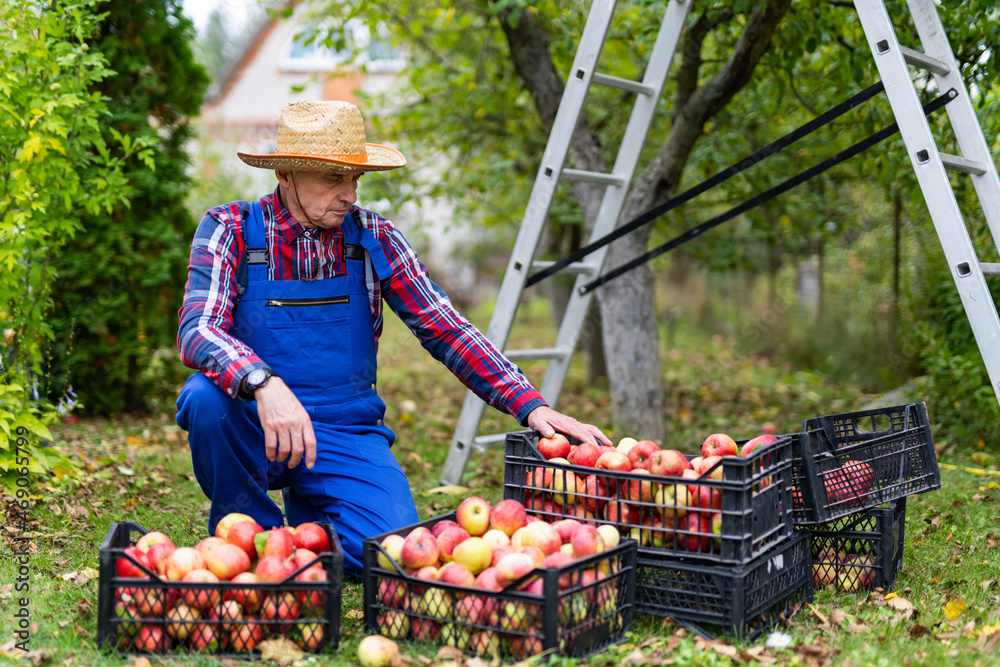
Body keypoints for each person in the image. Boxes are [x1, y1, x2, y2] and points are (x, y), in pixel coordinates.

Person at [175, 100, 609, 575]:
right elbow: (198, 328)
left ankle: (311, 524)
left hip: (345, 429)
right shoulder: (230, 229)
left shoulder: (373, 236)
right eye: (333, 178)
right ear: (285, 174)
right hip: (257, 421)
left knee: (390, 556)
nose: (349, 194)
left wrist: (530, 404)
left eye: (355, 178)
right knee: (205, 399)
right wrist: (262, 382)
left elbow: (445, 326)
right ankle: (251, 538)